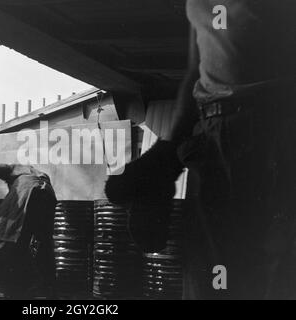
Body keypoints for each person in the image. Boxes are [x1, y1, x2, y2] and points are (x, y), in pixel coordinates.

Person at [105, 1, 296, 299]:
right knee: (213, 274)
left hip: (275, 127)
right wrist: (164, 157)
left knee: (277, 265)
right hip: (214, 133)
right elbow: (196, 73)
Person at [0, 164, 57, 300]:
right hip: (48, 194)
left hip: (27, 190)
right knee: (42, 245)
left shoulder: (13, 168)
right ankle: (50, 291)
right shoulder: (36, 173)